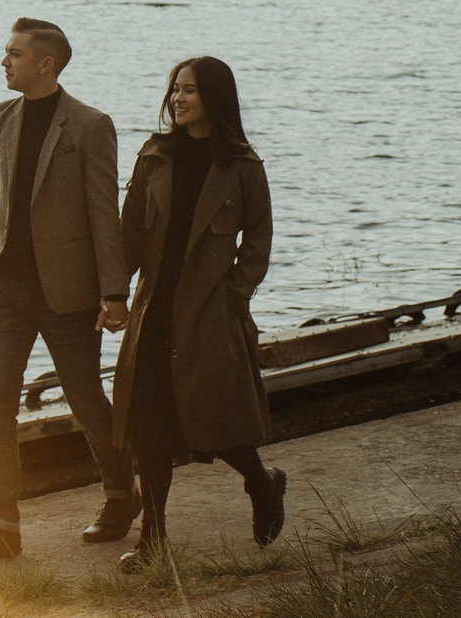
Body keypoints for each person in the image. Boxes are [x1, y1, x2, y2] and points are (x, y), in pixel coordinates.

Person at [0, 18, 141, 565]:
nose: (3, 62)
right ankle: (1, 526)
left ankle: (120, 495)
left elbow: (105, 214)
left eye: (13, 54)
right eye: (5, 53)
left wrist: (114, 293)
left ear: (45, 64)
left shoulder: (90, 125)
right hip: (3, 287)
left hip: (70, 293)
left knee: (86, 401)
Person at [111, 55, 286, 572]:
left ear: (214, 97)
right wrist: (112, 295)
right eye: (174, 91)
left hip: (209, 312)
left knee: (214, 418)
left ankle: (262, 483)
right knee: (149, 425)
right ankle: (153, 541)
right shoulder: (155, 155)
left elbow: (258, 239)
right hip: (153, 310)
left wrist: (234, 294)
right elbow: (128, 236)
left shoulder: (243, 166)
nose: (177, 100)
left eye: (188, 91)